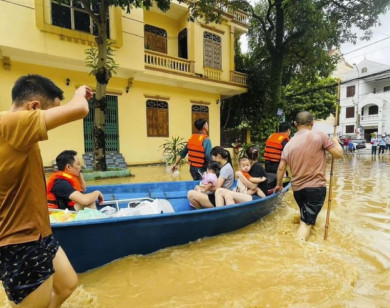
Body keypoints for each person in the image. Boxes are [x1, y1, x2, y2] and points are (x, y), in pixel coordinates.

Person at [0, 74, 92, 307]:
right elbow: (80, 109)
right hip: (20, 241)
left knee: (68, 284)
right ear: (34, 108)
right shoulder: (13, 123)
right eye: (47, 114)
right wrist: (80, 92)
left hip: (40, 232)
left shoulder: (10, 126)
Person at [274, 111, 343, 241]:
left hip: (297, 190)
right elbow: (338, 154)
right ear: (312, 123)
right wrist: (336, 142)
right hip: (315, 188)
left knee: (307, 218)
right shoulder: (319, 136)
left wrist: (278, 185)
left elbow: (281, 168)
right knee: (306, 224)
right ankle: (298, 250)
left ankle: (306, 238)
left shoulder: (288, 144)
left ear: (295, 124)